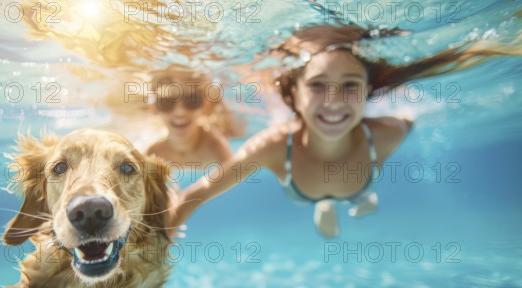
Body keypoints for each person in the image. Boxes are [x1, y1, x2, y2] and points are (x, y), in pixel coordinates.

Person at [167, 24, 518, 239]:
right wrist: (166, 227)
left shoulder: (387, 132)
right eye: (318, 85)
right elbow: (201, 190)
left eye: (350, 86)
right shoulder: (273, 145)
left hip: (358, 183)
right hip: (304, 191)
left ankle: (352, 200)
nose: (334, 101)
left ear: (368, 92)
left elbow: (409, 118)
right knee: (327, 200)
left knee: (362, 199)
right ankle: (325, 204)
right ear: (294, 96)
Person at [145, 65, 244, 168]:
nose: (180, 112)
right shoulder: (154, 152)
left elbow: (233, 174)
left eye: (192, 101)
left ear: (205, 105)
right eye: (166, 103)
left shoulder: (215, 146)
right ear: (153, 108)